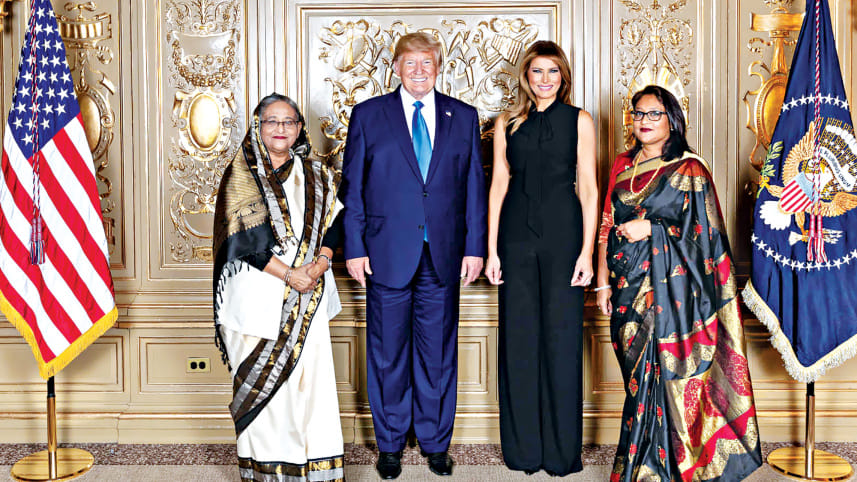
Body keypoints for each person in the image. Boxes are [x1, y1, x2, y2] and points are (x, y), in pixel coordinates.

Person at [595, 85, 762, 481]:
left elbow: (706, 239)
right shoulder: (622, 164)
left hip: (673, 295)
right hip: (625, 288)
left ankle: (662, 469)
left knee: (666, 376)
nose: (644, 122)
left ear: (671, 119)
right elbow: (605, 228)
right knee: (638, 381)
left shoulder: (690, 169)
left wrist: (652, 229)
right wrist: (602, 283)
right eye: (638, 114)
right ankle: (643, 463)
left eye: (654, 114)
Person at [341, 32, 487, 479]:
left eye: (427, 63)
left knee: (438, 354)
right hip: (385, 253)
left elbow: (474, 189)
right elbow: (353, 189)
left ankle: (435, 441)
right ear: (396, 67)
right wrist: (355, 246)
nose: (419, 71)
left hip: (444, 254)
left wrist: (475, 248)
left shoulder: (462, 116)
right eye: (410, 63)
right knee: (386, 353)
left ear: (438, 67)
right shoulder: (368, 115)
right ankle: (389, 444)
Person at [212, 93, 344, 482]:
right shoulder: (241, 175)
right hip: (256, 295)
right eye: (272, 121)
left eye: (289, 122)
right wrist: (289, 275)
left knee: (310, 385)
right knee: (267, 391)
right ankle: (269, 470)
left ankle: (315, 468)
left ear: (300, 128)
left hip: (311, 290)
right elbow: (240, 242)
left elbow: (336, 222)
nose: (281, 129)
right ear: (258, 126)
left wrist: (319, 263)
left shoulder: (318, 175)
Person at [484, 40, 597, 476]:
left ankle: (561, 452)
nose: (545, 80)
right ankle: (523, 451)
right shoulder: (506, 123)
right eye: (537, 72)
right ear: (526, 77)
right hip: (514, 239)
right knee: (519, 340)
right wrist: (492, 250)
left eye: (553, 72)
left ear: (563, 77)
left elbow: (588, 188)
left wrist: (587, 252)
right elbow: (498, 186)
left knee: (562, 341)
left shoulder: (580, 120)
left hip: (565, 237)